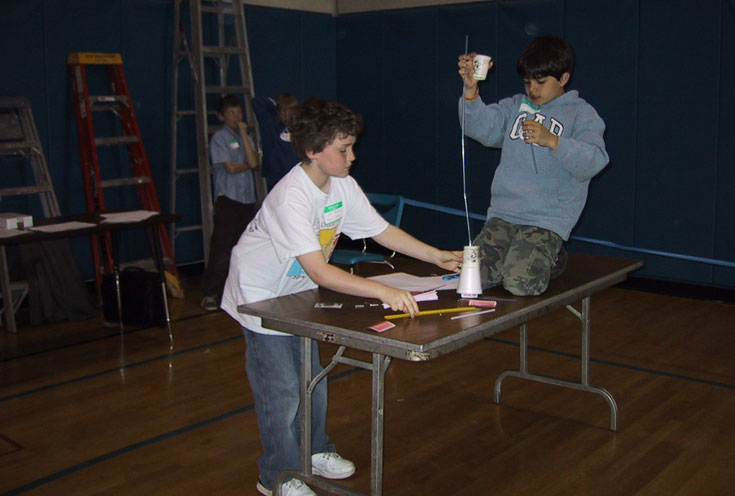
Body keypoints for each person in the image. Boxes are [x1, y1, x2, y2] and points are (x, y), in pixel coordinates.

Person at [221, 98, 462, 496]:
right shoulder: (291, 197)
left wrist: (435, 254)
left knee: (311, 380)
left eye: (352, 146)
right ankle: (277, 476)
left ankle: (315, 451)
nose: (352, 156)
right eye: (343, 149)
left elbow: (380, 231)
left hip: (295, 293)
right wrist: (385, 289)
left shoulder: (342, 186)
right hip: (260, 297)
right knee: (281, 392)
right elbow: (320, 270)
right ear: (313, 151)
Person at [457, 35, 609, 296]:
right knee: (472, 278)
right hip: (504, 215)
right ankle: (522, 254)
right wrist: (470, 90)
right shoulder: (516, 106)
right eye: (527, 82)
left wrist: (553, 141)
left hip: (546, 221)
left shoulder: (581, 114)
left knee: (520, 283)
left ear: (563, 79)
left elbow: (594, 160)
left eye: (540, 82)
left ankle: (555, 257)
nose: (532, 90)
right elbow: (478, 127)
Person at [200, 95, 260, 312]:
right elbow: (230, 168)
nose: (237, 117)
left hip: (247, 199)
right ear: (222, 117)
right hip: (228, 198)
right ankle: (210, 292)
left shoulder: (245, 137)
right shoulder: (219, 138)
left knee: (244, 247)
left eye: (239, 112)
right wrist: (244, 164)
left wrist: (244, 133)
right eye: (232, 113)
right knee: (222, 248)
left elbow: (253, 163)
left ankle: (238, 291)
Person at [254, 92, 300, 189]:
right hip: (277, 178)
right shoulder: (270, 125)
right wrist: (275, 107)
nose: (287, 116)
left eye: (290, 112)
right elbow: (256, 102)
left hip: (296, 178)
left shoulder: (300, 128)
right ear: (277, 112)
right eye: (283, 112)